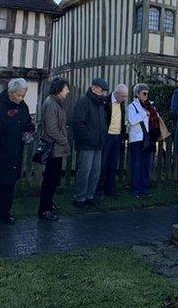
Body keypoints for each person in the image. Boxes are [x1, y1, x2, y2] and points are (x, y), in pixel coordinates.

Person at [0, 78, 34, 226]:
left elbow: (27, 123)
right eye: (18, 95)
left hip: (15, 152)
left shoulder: (23, 106)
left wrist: (29, 130)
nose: (21, 98)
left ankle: (5, 213)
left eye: (23, 95)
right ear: (11, 92)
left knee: (9, 185)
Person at [72, 78, 109, 207]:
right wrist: (88, 137)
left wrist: (101, 137)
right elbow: (78, 122)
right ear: (94, 88)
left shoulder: (100, 104)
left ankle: (89, 196)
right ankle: (79, 197)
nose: (103, 93)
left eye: (104, 91)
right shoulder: (84, 102)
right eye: (101, 90)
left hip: (98, 143)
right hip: (87, 144)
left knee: (95, 171)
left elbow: (103, 122)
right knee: (84, 171)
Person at [38, 77, 70, 221]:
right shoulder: (51, 104)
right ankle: (44, 210)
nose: (68, 91)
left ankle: (48, 203)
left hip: (56, 148)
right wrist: (64, 140)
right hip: (53, 148)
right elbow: (51, 129)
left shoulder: (56, 103)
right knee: (50, 179)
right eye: (65, 88)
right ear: (58, 89)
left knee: (54, 178)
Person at [127, 83, 159, 198]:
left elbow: (155, 119)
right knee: (136, 164)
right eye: (143, 93)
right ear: (137, 94)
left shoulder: (150, 106)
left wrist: (150, 112)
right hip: (137, 139)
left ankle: (144, 188)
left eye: (147, 93)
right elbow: (132, 120)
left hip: (148, 138)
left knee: (145, 165)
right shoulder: (132, 106)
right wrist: (144, 113)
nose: (146, 95)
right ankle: (136, 189)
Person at [97, 84, 128, 198]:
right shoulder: (105, 102)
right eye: (123, 96)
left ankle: (111, 190)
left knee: (113, 164)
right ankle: (99, 190)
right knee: (103, 164)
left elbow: (121, 120)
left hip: (117, 136)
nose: (125, 99)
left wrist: (122, 136)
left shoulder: (122, 103)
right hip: (107, 136)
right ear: (117, 93)